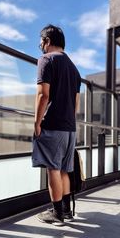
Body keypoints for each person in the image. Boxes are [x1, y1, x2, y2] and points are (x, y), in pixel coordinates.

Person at [32, 24, 81, 226]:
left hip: (53, 124)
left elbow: (43, 94)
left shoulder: (46, 60)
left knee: (52, 168)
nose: (40, 46)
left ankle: (57, 214)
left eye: (41, 41)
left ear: (47, 41)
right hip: (70, 127)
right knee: (64, 169)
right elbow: (76, 104)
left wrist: (36, 122)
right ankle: (67, 211)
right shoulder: (74, 68)